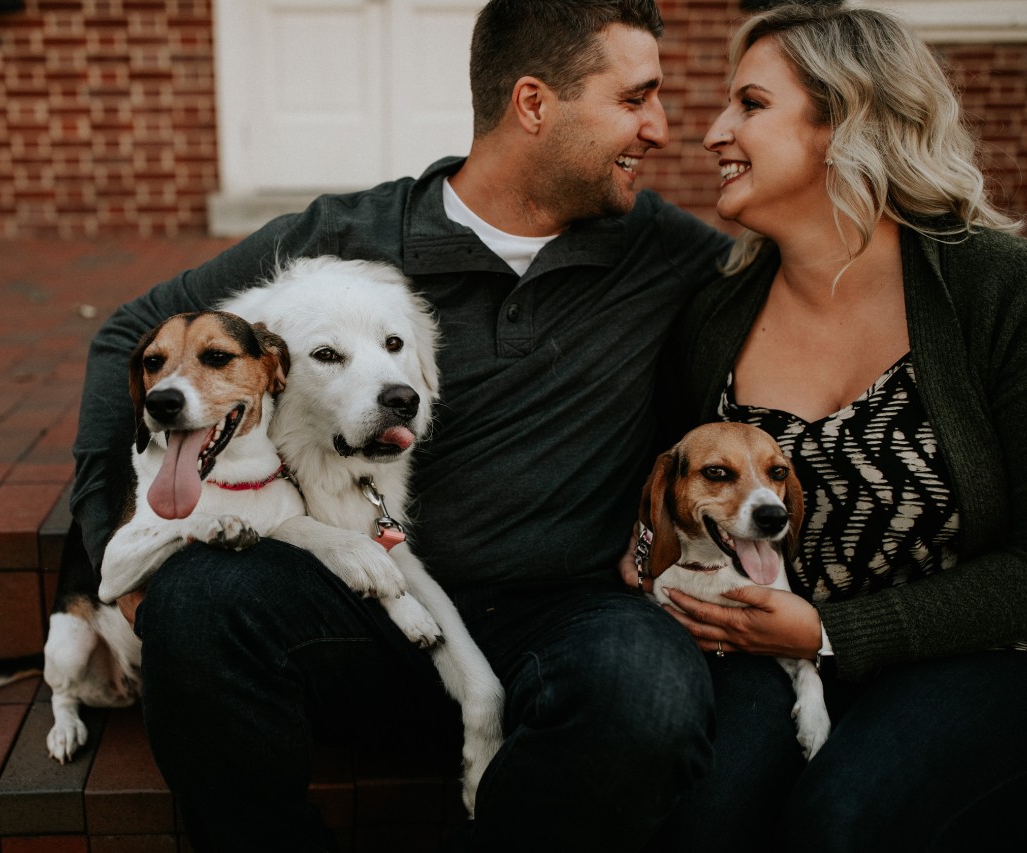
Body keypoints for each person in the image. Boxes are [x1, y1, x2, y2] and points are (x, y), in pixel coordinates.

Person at [71, 1, 732, 850]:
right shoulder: (347, 235)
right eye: (635, 99)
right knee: (196, 602)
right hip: (351, 600)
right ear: (534, 104)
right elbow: (132, 337)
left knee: (651, 691)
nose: (662, 128)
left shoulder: (664, 250)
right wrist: (117, 545)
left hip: (566, 613)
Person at [622, 4, 1027, 851]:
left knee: (838, 822)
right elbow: (666, 493)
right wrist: (644, 555)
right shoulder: (713, 318)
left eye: (751, 105)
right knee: (700, 817)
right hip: (764, 655)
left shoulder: (995, 288)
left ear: (845, 123)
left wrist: (835, 631)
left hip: (974, 657)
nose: (715, 132)